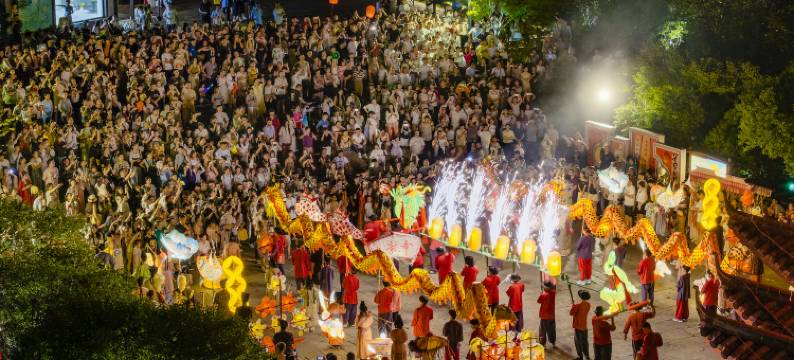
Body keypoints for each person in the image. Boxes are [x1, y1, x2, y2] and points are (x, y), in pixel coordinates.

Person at [570, 290, 591, 360]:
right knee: (585, 341)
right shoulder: (588, 305)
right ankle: (587, 355)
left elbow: (571, 313)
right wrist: (574, 306)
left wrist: (573, 306)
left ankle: (580, 356)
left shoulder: (577, 306)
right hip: (584, 326)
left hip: (578, 326)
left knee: (578, 342)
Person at [537, 281, 557, 347]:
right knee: (551, 329)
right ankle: (553, 342)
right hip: (552, 315)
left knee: (543, 330)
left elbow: (539, 301)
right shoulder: (553, 293)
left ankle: (543, 344)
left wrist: (541, 294)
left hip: (544, 316)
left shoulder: (543, 295)